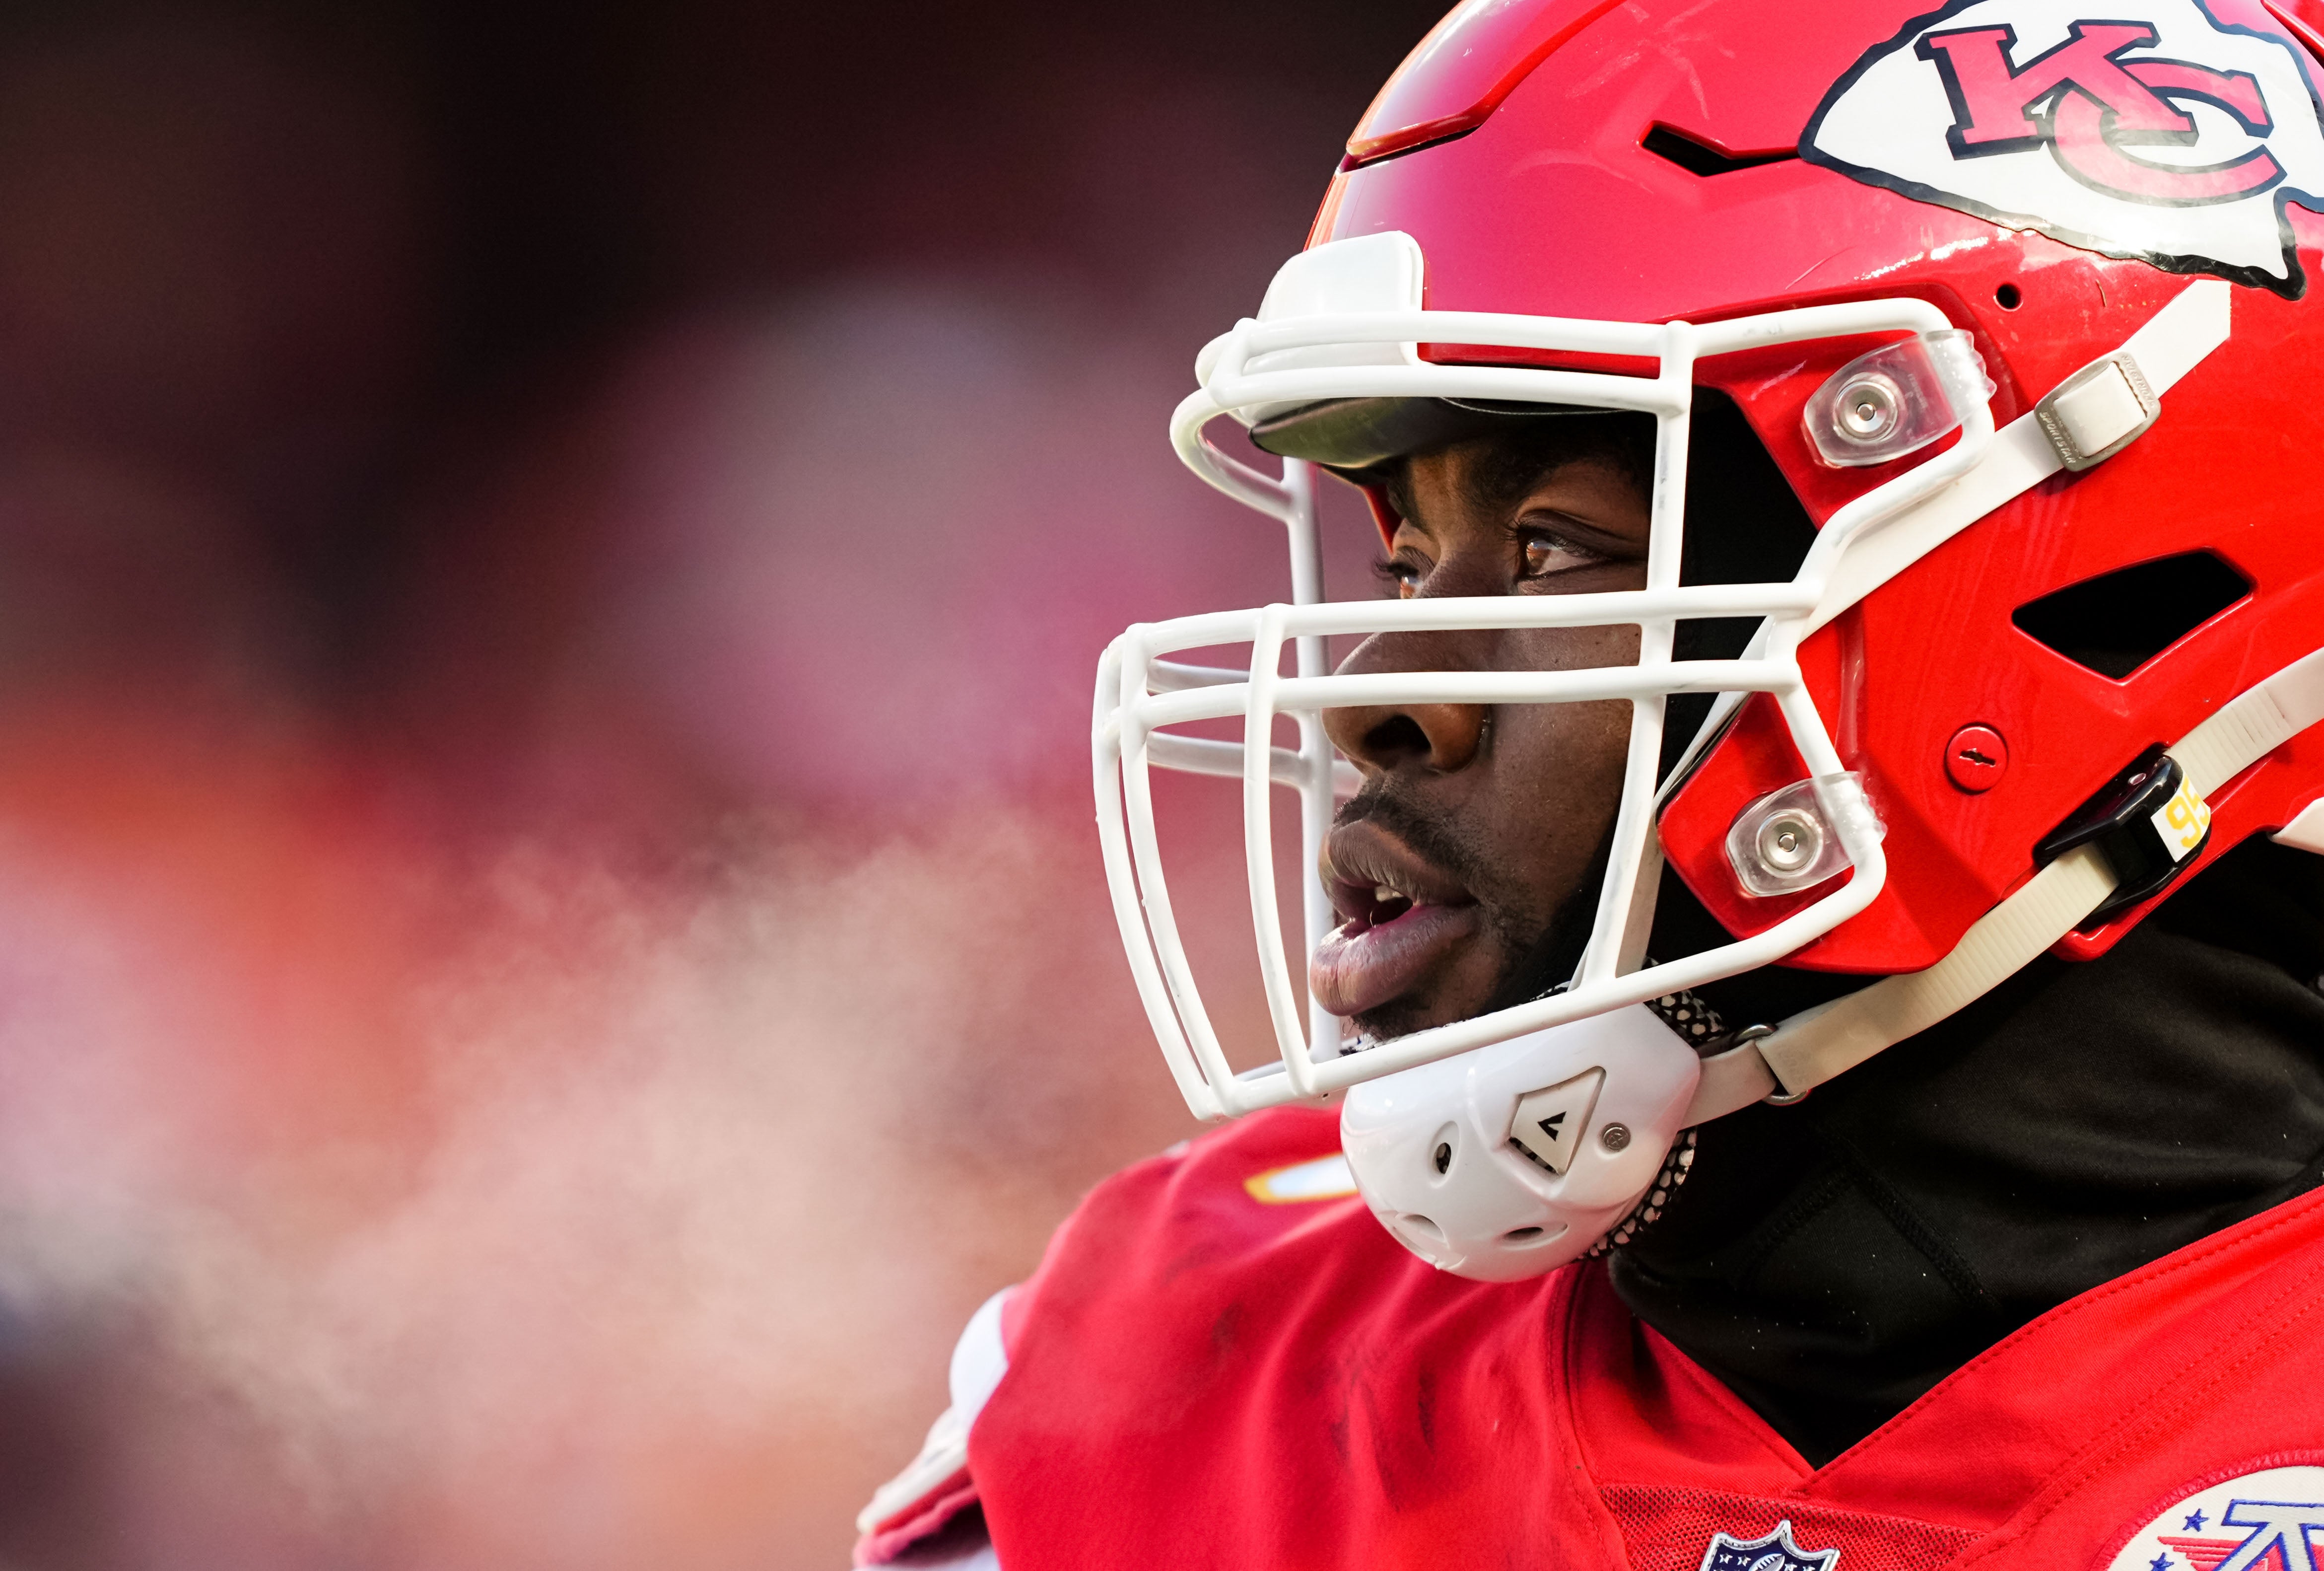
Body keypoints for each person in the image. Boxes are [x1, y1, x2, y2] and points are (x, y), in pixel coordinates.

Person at [854, 0, 2324, 1565]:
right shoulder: (1187, 1384)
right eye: (1404, 558)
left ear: (2103, 610)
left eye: (1555, 548)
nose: (1375, 702)